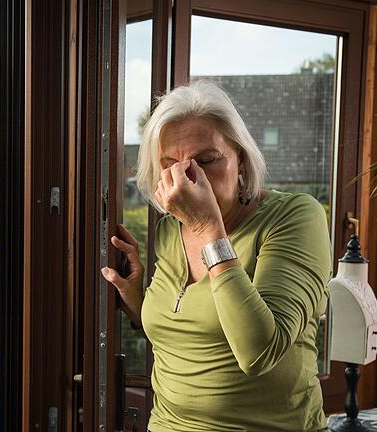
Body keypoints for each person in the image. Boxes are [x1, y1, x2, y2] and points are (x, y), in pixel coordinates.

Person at [101, 80, 332, 431]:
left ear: (241, 159)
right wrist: (137, 301)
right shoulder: (168, 231)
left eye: (207, 160)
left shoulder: (296, 217)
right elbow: (193, 339)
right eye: (169, 165)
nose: (188, 177)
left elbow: (260, 351)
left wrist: (209, 229)